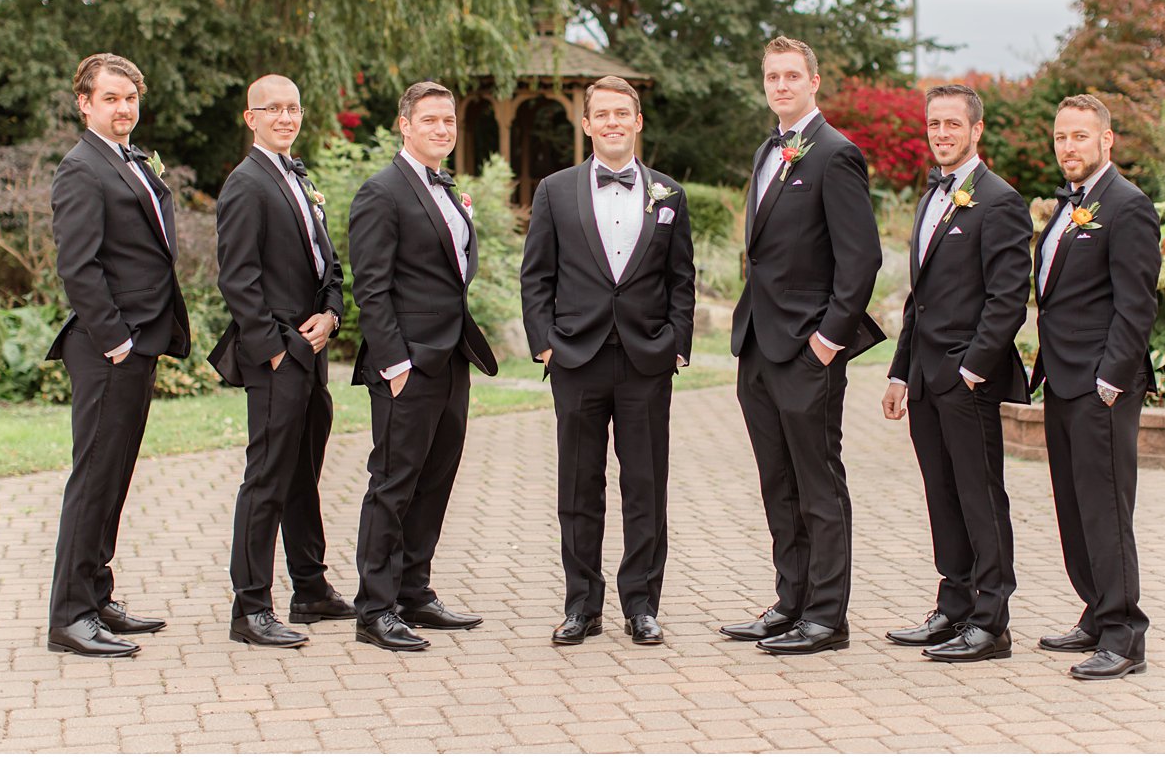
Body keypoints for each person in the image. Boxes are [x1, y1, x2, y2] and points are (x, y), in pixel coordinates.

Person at [722, 36, 885, 656]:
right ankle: (790, 600)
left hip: (806, 350)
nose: (781, 85)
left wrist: (828, 340)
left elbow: (860, 257)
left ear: (815, 82)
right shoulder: (770, 150)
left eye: (793, 76)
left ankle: (826, 617)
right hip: (759, 347)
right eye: (772, 76)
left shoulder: (835, 155)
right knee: (777, 482)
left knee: (819, 484)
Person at [519, 76, 696, 647]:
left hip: (647, 360)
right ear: (588, 124)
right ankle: (581, 605)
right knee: (578, 487)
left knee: (645, 487)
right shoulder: (554, 190)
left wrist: (678, 342)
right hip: (576, 358)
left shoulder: (668, 194)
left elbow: (681, 279)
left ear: (638, 121)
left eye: (624, 113)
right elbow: (536, 275)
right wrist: (545, 342)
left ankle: (641, 605)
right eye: (603, 114)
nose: (614, 122)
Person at [881, 84, 1032, 663]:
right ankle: (953, 605)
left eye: (952, 124)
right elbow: (917, 300)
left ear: (976, 130)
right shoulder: (931, 197)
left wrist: (972, 368)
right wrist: (899, 372)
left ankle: (991, 622)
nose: (941, 133)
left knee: (980, 496)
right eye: (933, 124)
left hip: (968, 380)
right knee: (941, 496)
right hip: (922, 377)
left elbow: (1007, 298)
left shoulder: (1000, 201)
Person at [46, 53, 190, 657]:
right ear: (85, 103)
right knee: (94, 480)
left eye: (130, 98)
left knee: (116, 478)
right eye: (110, 98)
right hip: (110, 347)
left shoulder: (129, 160)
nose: (123, 108)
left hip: (139, 343)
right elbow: (78, 268)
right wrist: (116, 341)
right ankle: (69, 617)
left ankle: (98, 595)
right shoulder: (81, 169)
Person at [345, 81, 498, 652]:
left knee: (436, 478)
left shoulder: (447, 189)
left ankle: (415, 590)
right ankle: (375, 607)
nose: (442, 129)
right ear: (404, 125)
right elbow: (372, 286)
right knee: (393, 484)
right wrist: (394, 362)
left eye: (449, 121)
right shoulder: (380, 192)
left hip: (451, 355)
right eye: (430, 120)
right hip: (407, 363)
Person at [210, 74, 349, 648]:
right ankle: (251, 608)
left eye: (293, 108)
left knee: (302, 478)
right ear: (251, 117)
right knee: (266, 479)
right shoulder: (246, 185)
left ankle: (311, 590)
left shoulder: (300, 178)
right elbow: (237, 280)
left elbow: (328, 264)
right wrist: (274, 350)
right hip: (277, 356)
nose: (286, 117)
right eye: (274, 109)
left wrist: (333, 313)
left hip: (312, 351)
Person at [1032, 94, 1160, 680]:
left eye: (1080, 137)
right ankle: (1094, 611)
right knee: (1074, 506)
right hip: (1062, 378)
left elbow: (1137, 304)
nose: (1069, 147)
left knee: (1106, 509)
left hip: (1101, 385)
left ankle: (1123, 634)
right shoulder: (1071, 204)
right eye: (1061, 137)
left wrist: (1111, 380)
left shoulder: (1127, 206)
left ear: (1107, 140)